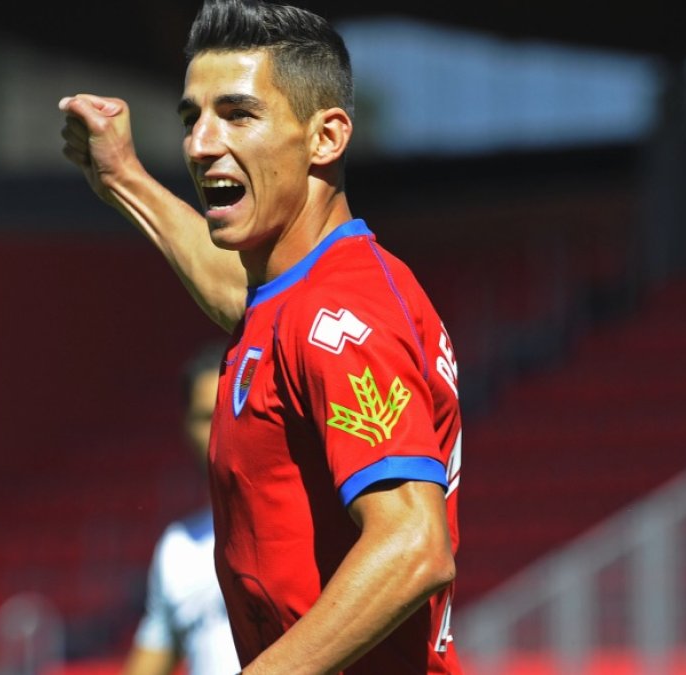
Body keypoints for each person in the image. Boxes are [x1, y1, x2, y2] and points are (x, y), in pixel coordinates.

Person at [60, 1, 463, 672]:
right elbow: (240, 298)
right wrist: (123, 178)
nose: (200, 143)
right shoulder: (292, 300)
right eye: (193, 118)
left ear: (326, 138)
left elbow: (414, 542)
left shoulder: (343, 315)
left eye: (238, 115)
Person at [123, 343, 241, 675]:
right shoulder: (177, 548)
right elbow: (151, 658)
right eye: (206, 417)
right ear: (185, 427)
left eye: (232, 410)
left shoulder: (314, 522)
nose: (221, 430)